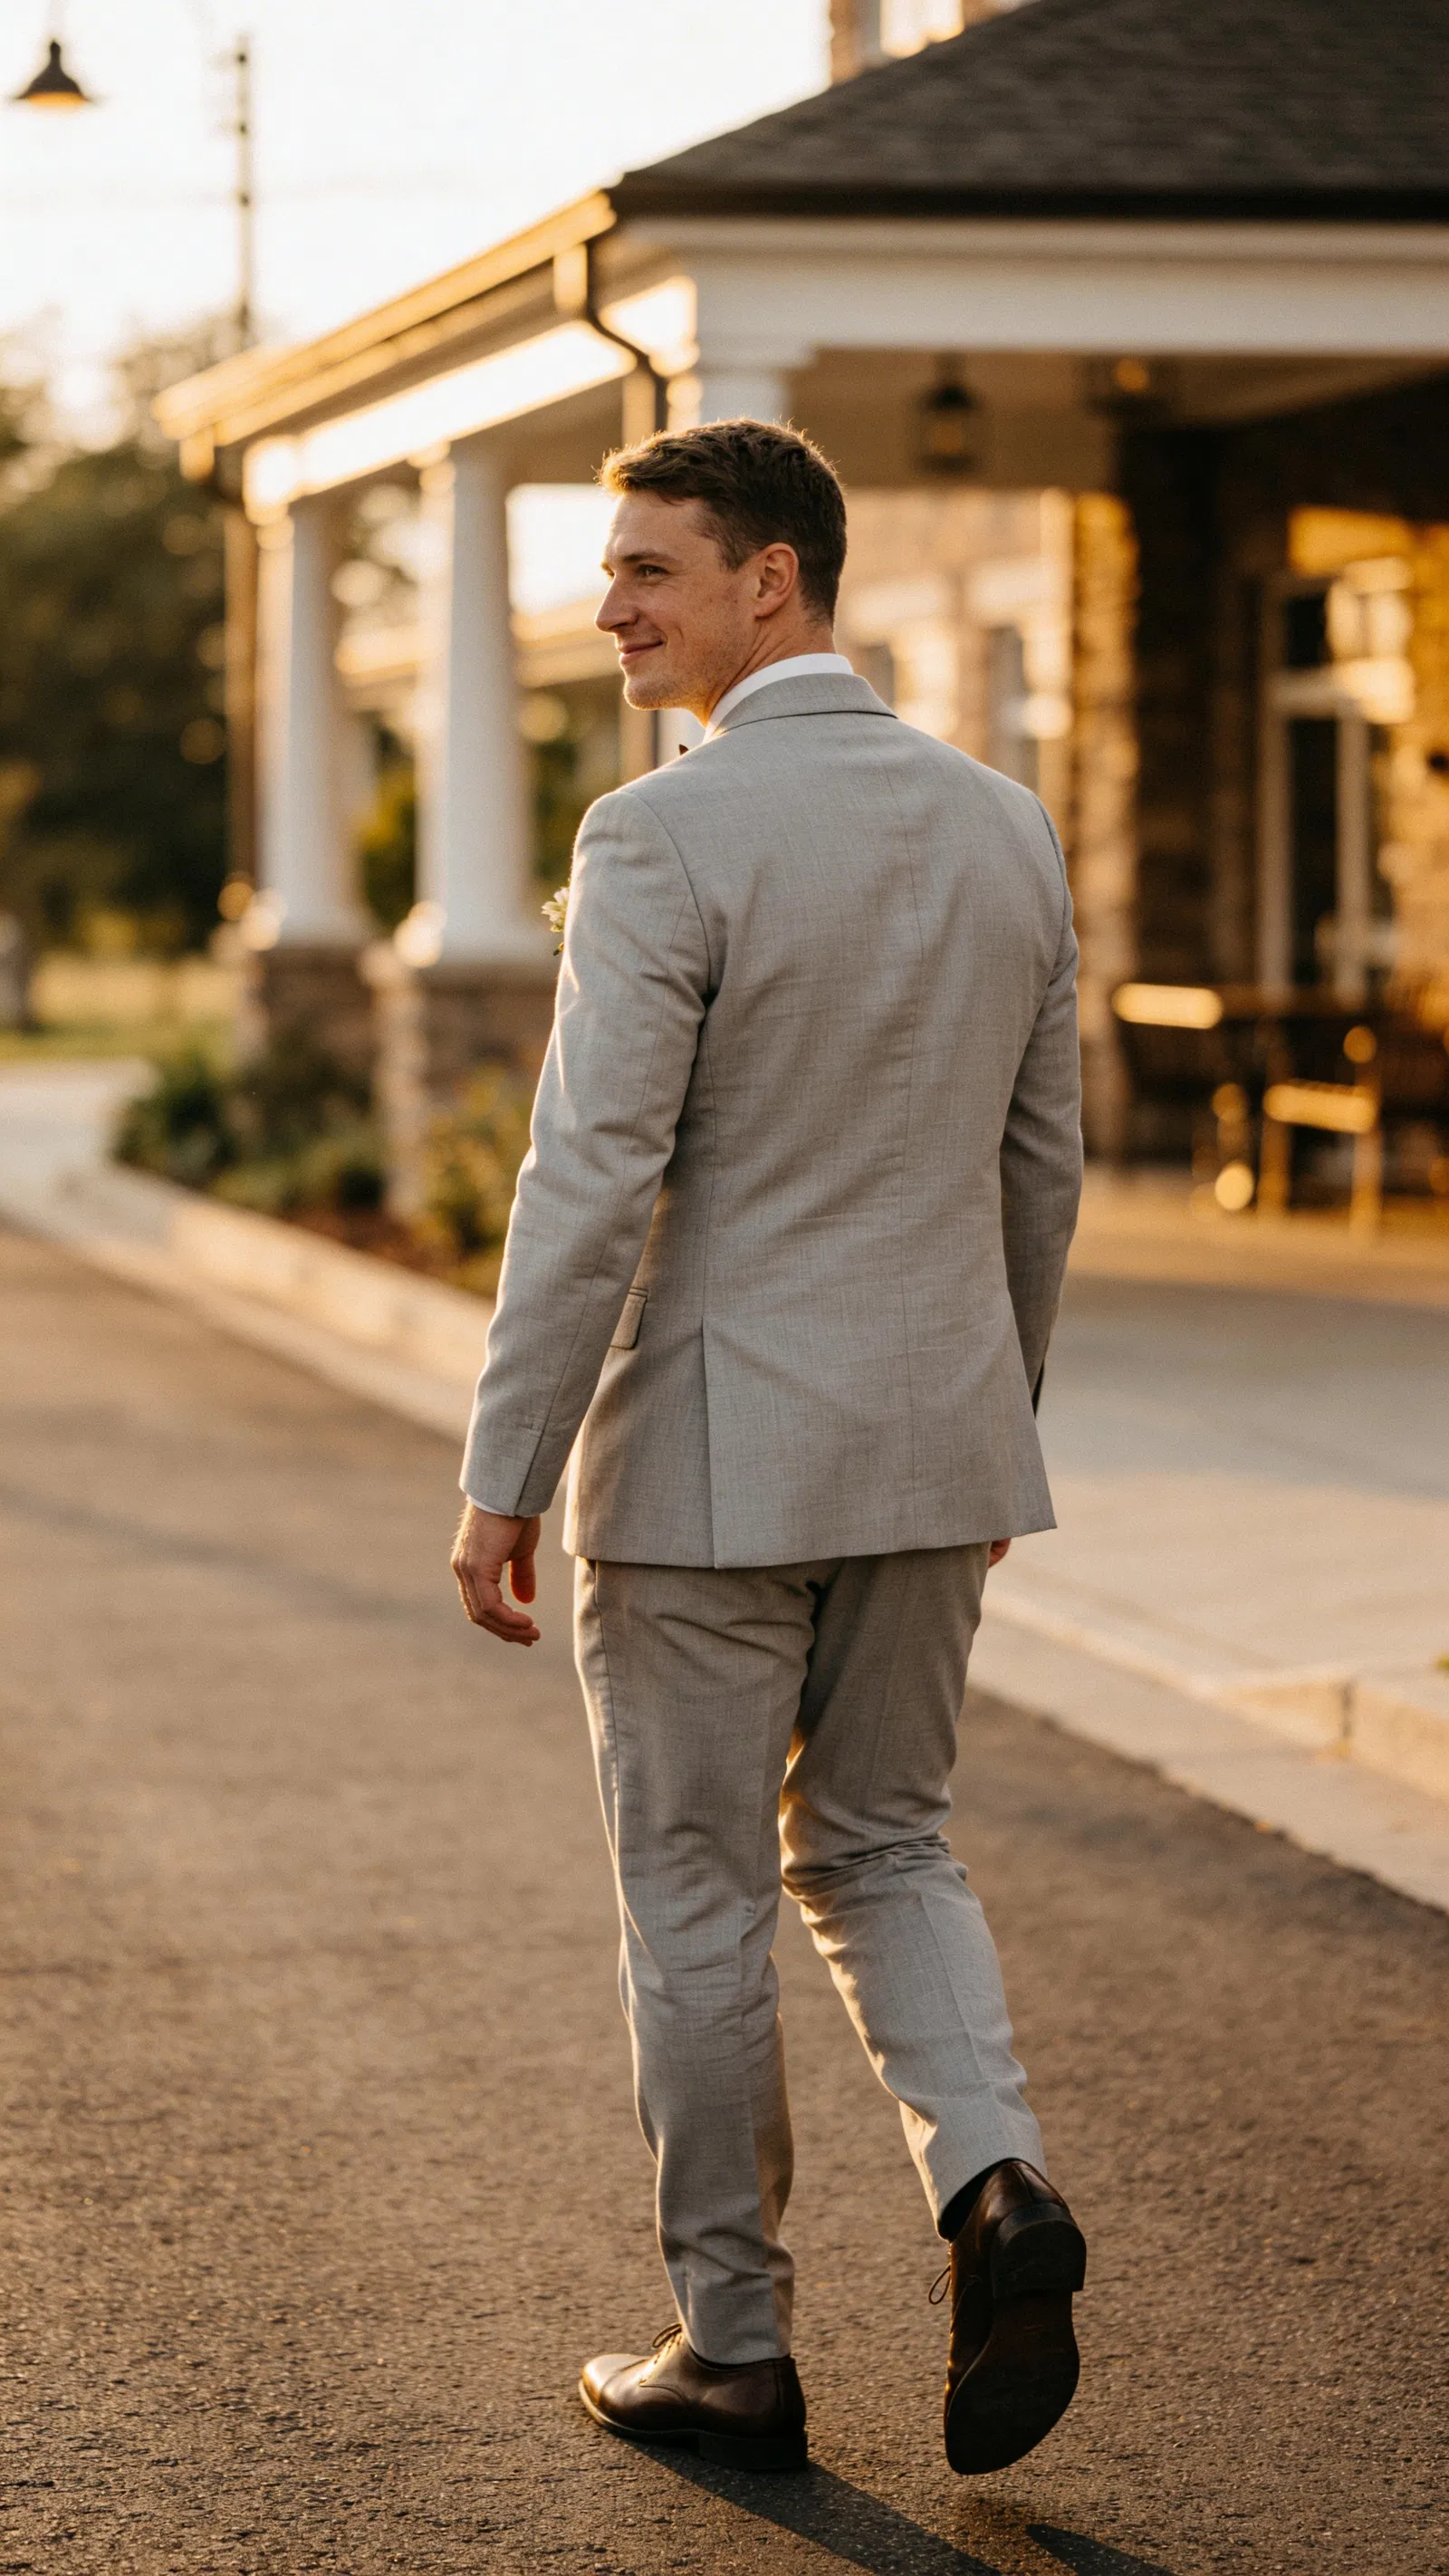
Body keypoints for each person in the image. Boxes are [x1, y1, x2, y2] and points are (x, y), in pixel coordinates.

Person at [451, 418, 1086, 2477]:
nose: (610, 604)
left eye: (647, 567)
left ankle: (733, 2346)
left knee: (702, 1892)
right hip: (933, 1449)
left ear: (772, 584)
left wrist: (504, 1467)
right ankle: (994, 2188)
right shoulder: (1006, 826)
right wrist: (992, 1423)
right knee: (885, 1843)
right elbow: (1040, 1169)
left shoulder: (664, 837)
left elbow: (589, 1173)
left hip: (711, 1466)